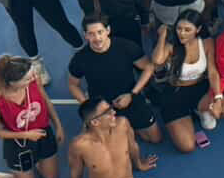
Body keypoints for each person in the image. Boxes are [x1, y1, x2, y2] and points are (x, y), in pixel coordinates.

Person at [67, 14, 160, 143]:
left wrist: (132, 94)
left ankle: (126, 128)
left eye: (100, 32)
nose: (97, 38)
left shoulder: (126, 46)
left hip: (130, 97)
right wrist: (90, 107)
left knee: (155, 139)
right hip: (102, 107)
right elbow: (73, 84)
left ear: (108, 30)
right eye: (91, 34)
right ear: (85, 35)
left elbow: (148, 67)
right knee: (110, 144)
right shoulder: (80, 59)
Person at [151, 13, 222, 153]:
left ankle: (198, 110)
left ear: (198, 29)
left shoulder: (206, 43)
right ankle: (192, 114)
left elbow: (213, 72)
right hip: (175, 94)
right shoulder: (171, 46)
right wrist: (162, 36)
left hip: (199, 89)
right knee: (187, 146)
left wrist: (218, 98)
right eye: (179, 28)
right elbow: (157, 61)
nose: (182, 33)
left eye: (187, 30)